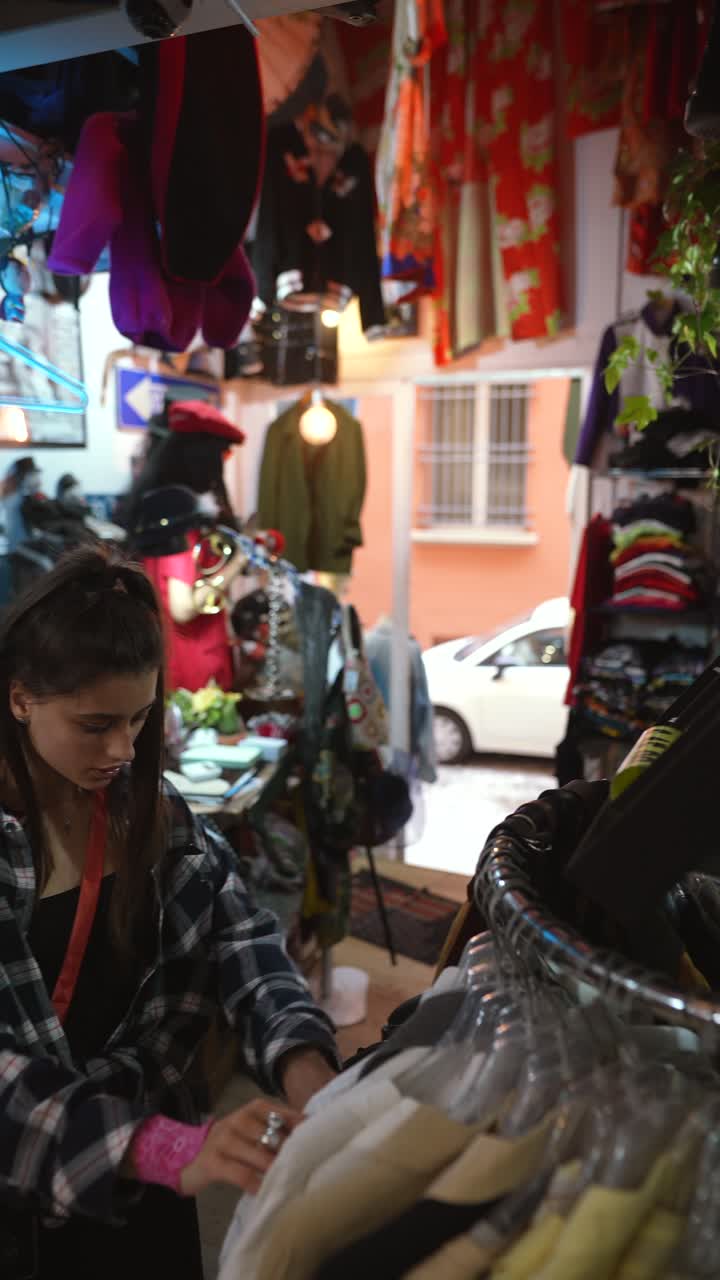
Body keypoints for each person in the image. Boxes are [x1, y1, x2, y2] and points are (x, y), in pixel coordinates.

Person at [0, 544, 339, 1280]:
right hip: (30, 1192)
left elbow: (244, 944)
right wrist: (155, 1144)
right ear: (20, 696)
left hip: (150, 1186)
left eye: (140, 719)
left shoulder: (157, 822)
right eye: (95, 725)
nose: (122, 748)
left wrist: (309, 1070)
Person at [123, 398, 249, 692]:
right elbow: (183, 608)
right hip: (194, 667)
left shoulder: (158, 505)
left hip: (186, 656)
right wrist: (240, 561)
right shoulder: (176, 514)